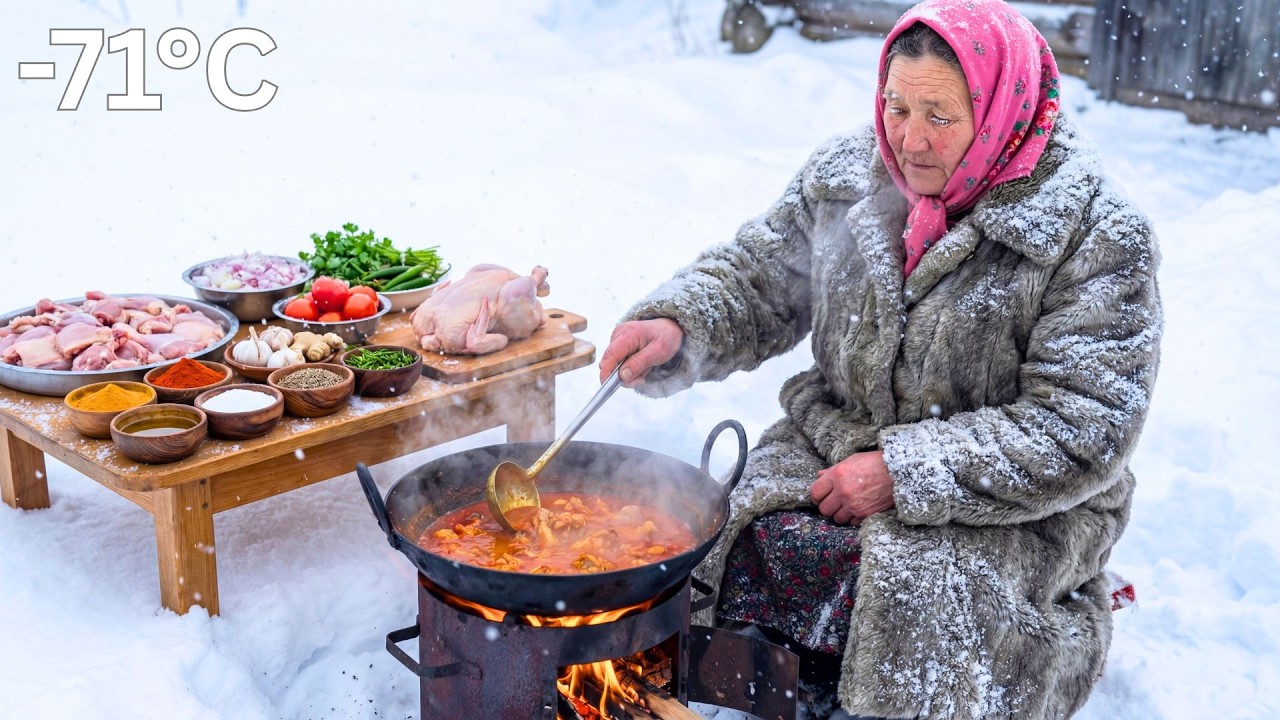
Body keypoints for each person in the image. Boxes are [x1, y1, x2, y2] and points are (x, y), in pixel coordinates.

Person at [597, 0, 1163, 717]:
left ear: (1000, 112)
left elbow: (1083, 427)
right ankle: (795, 676)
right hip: (829, 440)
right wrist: (680, 323)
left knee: (909, 593)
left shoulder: (1094, 236)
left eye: (940, 116)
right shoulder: (847, 177)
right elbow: (758, 275)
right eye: (896, 107)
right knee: (726, 536)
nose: (909, 140)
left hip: (1008, 500)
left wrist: (904, 472)